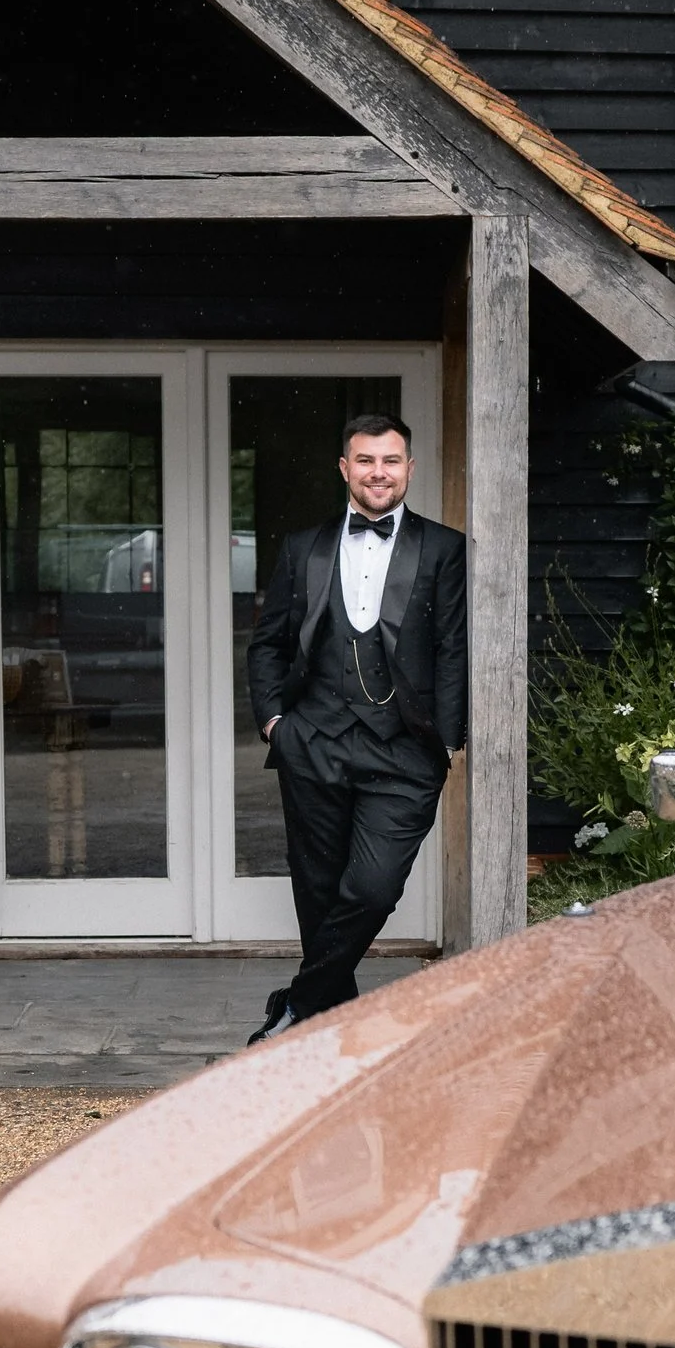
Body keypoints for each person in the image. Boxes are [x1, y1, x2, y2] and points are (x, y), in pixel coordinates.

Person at [244, 412, 466, 1044]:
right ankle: (326, 1022)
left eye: (391, 461)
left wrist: (446, 741)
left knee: (371, 888)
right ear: (345, 468)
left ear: (409, 469)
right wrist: (274, 724)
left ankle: (298, 1003)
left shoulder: (446, 549)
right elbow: (268, 645)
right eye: (366, 461)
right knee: (317, 892)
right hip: (312, 741)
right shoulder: (303, 548)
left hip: (404, 750)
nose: (378, 473)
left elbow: (454, 647)